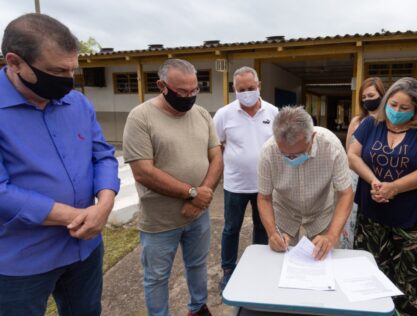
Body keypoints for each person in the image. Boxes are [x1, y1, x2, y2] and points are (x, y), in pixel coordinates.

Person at [0, 14, 120, 315]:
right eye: (57, 70)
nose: (68, 79)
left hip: (85, 250)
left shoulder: (77, 103)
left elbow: (102, 155)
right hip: (19, 260)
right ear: (14, 62)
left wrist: (104, 206)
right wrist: (77, 216)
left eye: (72, 69)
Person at [123, 59, 223, 316]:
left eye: (194, 90)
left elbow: (217, 157)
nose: (189, 97)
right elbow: (144, 172)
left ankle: (198, 307)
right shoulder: (141, 117)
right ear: (162, 86)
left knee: (198, 265)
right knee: (156, 277)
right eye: (182, 92)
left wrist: (202, 197)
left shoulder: (201, 114)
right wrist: (192, 193)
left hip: (198, 215)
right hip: (160, 221)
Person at [347, 77, 417, 315]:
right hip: (373, 217)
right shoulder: (372, 125)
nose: (396, 111)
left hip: (412, 221)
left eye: (404, 108)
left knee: (410, 280)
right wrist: (375, 181)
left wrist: (395, 187)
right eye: (393, 105)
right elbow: (353, 155)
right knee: (371, 275)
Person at [257, 106, 353, 260]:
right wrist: (272, 234)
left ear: (312, 137)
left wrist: (332, 235)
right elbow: (264, 198)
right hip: (284, 212)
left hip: (322, 213)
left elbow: (345, 193)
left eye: (299, 153)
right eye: (285, 154)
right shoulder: (268, 151)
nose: (292, 158)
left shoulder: (331, 146)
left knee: (323, 259)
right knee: (280, 262)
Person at [213, 66, 278, 292]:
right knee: (231, 228)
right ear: (234, 89)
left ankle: (257, 266)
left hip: (265, 186)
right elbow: (216, 146)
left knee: (262, 227)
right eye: (242, 89)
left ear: (259, 86)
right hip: (235, 184)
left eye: (251, 88)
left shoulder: (273, 113)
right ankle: (228, 270)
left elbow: (281, 146)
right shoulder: (223, 115)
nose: (247, 92)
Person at [340, 77, 385, 249]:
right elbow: (349, 153)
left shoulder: (388, 122)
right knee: (351, 217)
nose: (367, 100)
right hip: (355, 177)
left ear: (382, 94)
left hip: (378, 177)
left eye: (371, 95)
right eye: (364, 98)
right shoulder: (357, 121)